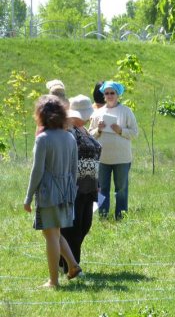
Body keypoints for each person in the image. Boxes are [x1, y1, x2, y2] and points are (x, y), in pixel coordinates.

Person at [23, 95, 82, 288]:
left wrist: (28, 196)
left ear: (41, 114)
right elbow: (74, 170)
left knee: (50, 235)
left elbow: (37, 171)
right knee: (54, 233)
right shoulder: (70, 137)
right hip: (66, 192)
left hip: (49, 193)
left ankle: (54, 281)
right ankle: (73, 266)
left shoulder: (43, 139)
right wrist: (71, 193)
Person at [59, 95, 102, 274]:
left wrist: (97, 181)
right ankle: (72, 266)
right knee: (73, 228)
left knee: (85, 225)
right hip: (74, 186)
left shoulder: (83, 129)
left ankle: (65, 262)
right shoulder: (68, 129)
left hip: (89, 185)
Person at [89, 81, 138, 220]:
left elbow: (135, 133)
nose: (109, 96)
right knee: (102, 190)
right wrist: (98, 129)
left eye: (112, 93)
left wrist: (120, 130)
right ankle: (103, 216)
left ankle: (121, 216)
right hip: (103, 158)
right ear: (103, 95)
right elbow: (89, 134)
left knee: (121, 189)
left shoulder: (126, 111)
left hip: (122, 158)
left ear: (118, 95)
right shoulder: (98, 112)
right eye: (107, 93)